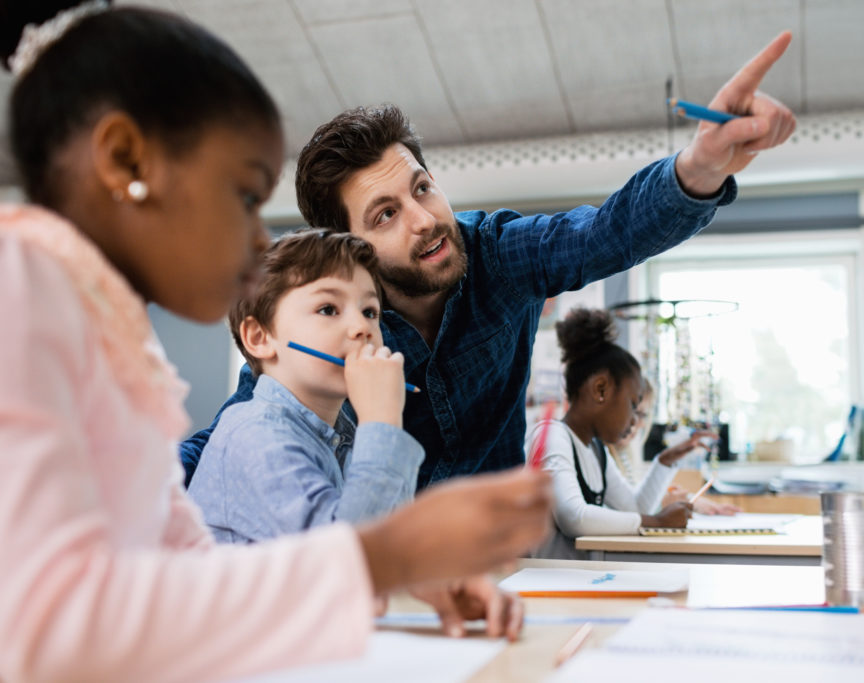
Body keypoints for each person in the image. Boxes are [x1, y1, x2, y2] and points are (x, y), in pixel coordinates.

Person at [0, 3, 551, 681]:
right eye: (244, 194)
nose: (261, 241)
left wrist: (404, 579)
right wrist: (382, 559)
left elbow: (191, 570)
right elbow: (45, 627)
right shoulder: (20, 288)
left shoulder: (108, 333)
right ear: (123, 160)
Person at [179, 32, 797, 490]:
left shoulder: (501, 253)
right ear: (350, 246)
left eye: (421, 188)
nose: (423, 218)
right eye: (385, 214)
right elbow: (243, 423)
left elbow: (609, 231)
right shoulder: (329, 322)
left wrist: (700, 168)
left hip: (500, 555)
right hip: (395, 563)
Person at [188, 229, 424, 542]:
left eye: (370, 312)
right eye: (328, 309)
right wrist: (382, 421)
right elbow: (349, 560)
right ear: (260, 338)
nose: (361, 328)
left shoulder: (345, 434)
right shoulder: (255, 436)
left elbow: (391, 544)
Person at [526, 308, 716, 560]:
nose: (634, 420)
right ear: (601, 389)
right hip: (544, 587)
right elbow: (574, 517)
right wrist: (656, 522)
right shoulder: (552, 436)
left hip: (578, 581)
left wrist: (666, 460)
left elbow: (635, 508)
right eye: (632, 404)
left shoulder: (596, 451)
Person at [608, 378, 739, 515]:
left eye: (643, 415)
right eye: (636, 412)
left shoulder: (622, 455)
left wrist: (691, 501)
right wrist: (665, 505)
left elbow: (631, 502)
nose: (639, 424)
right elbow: (627, 513)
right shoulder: (600, 456)